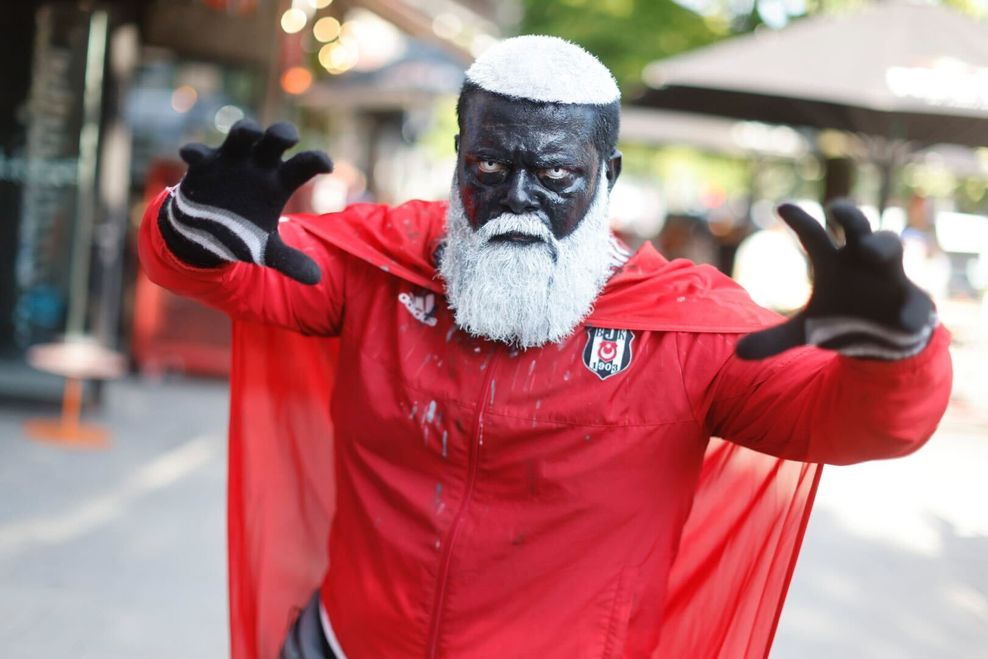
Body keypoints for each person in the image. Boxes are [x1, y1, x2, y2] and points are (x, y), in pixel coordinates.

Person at [139, 36, 951, 659]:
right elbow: (234, 275)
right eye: (489, 164)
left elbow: (854, 421)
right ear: (457, 160)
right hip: (346, 641)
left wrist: (899, 352)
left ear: (608, 175)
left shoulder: (682, 322)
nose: (516, 199)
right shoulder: (387, 260)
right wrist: (195, 227)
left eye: (555, 175)